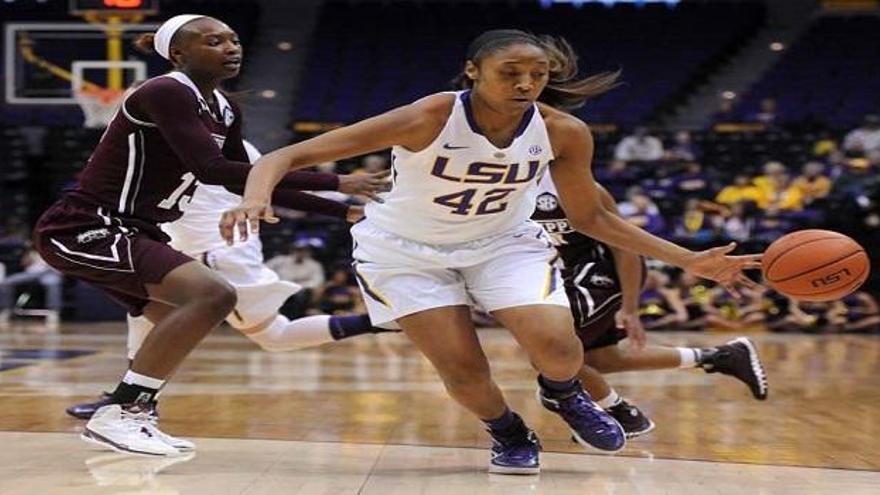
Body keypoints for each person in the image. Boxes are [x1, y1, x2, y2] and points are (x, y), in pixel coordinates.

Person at [221, 29, 761, 475]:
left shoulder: (564, 132)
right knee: (462, 369)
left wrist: (688, 259)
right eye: (511, 73)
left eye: (539, 74)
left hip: (503, 243)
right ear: (473, 71)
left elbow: (591, 218)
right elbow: (289, 155)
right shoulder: (427, 117)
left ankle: (561, 393)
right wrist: (255, 196)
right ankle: (508, 432)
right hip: (403, 251)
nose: (527, 83)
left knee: (559, 344)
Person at [31, 15, 387, 456]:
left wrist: (342, 204)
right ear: (178, 54)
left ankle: (132, 411)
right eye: (214, 41)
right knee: (213, 296)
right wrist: (334, 183)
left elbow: (243, 182)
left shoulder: (224, 108)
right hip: (88, 224)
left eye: (234, 40)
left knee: (165, 315)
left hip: (140, 230)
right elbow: (212, 169)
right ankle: (120, 413)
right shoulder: (164, 91)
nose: (230, 47)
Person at [65, 141, 391, 420]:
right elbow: (266, 184)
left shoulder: (187, 144)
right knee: (141, 311)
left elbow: (269, 184)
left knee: (276, 336)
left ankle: (387, 320)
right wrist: (340, 204)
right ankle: (132, 400)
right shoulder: (201, 142)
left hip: (217, 251)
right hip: (186, 248)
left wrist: (336, 191)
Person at [532, 177, 768, 437]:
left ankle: (621, 415)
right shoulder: (503, 190)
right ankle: (721, 356)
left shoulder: (579, 187)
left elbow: (627, 249)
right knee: (599, 359)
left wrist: (631, 309)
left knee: (549, 350)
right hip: (563, 280)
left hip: (600, 276)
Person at [0, 246, 63, 330]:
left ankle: (53, 312)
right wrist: (28, 257)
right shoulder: (32, 249)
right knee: (6, 282)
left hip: (49, 273)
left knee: (53, 284)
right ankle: (6, 310)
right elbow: (23, 264)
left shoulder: (58, 248)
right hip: (31, 273)